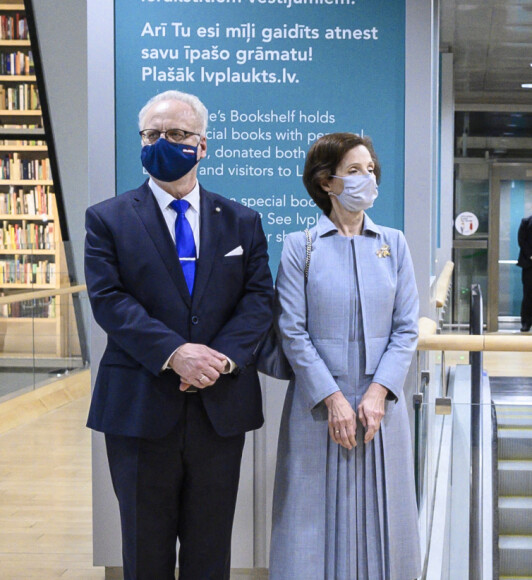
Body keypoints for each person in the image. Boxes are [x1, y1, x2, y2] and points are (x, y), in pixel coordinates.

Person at [84, 90, 274, 580]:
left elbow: (258, 301)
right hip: (140, 407)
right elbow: (110, 301)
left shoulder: (242, 221)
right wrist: (175, 354)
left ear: (202, 145)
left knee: (210, 550)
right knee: (144, 551)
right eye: (152, 134)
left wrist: (219, 361)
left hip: (219, 408)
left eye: (177, 134)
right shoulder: (107, 219)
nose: (163, 143)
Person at [269, 133, 421, 579]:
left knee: (386, 513)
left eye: (370, 170)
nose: (366, 179)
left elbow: (407, 326)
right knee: (308, 516)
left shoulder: (394, 243)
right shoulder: (302, 246)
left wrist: (378, 393)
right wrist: (333, 399)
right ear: (325, 182)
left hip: (382, 408)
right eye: (354, 171)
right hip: (317, 407)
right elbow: (291, 329)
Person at [517, 215, 532, 331]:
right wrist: (531, 255)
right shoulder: (526, 222)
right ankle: (526, 322)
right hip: (529, 265)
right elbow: (521, 240)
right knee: (528, 294)